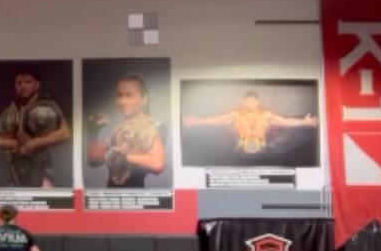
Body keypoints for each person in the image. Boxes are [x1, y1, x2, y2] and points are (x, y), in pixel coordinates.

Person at [183, 89, 319, 157]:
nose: (251, 104)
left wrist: (305, 122)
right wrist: (197, 121)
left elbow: (284, 122)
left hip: (262, 147)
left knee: (267, 118)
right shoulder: (236, 114)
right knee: (234, 116)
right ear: (244, 102)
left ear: (258, 102)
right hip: (242, 146)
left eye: (253, 101)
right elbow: (218, 120)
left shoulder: (265, 114)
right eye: (248, 101)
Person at [0, 71, 71, 188]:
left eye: (28, 82)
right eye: (19, 83)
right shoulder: (11, 109)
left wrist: (35, 143)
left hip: (43, 166)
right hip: (16, 168)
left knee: (44, 196)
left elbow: (64, 133)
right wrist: (14, 143)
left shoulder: (48, 105)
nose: (23, 86)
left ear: (37, 84)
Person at [87, 75, 166, 187]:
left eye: (129, 95)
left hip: (134, 195)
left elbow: (157, 164)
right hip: (112, 195)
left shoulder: (154, 127)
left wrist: (125, 155)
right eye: (120, 95)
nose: (122, 101)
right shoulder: (119, 129)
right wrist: (93, 132)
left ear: (144, 99)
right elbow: (95, 160)